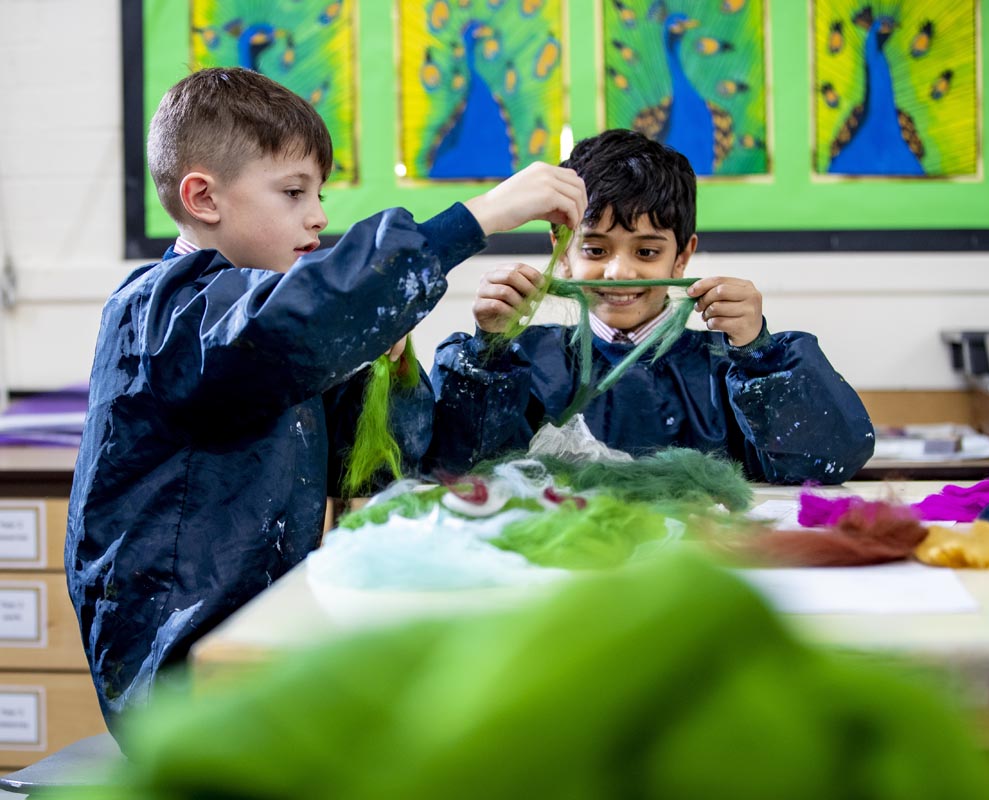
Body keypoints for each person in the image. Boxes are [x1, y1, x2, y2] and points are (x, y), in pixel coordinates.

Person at [65, 66, 586, 737]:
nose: (318, 216)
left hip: (265, 646)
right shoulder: (166, 310)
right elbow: (288, 324)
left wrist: (391, 371)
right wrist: (474, 220)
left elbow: (374, 465)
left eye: (317, 193)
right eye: (292, 191)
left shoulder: (267, 338)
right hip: (180, 683)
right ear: (203, 197)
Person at [428, 129, 874, 483]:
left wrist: (759, 352)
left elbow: (828, 460)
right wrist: (487, 350)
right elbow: (455, 462)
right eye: (596, 251)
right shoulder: (519, 363)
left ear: (682, 255)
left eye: (646, 253)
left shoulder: (726, 366)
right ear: (562, 252)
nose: (619, 273)